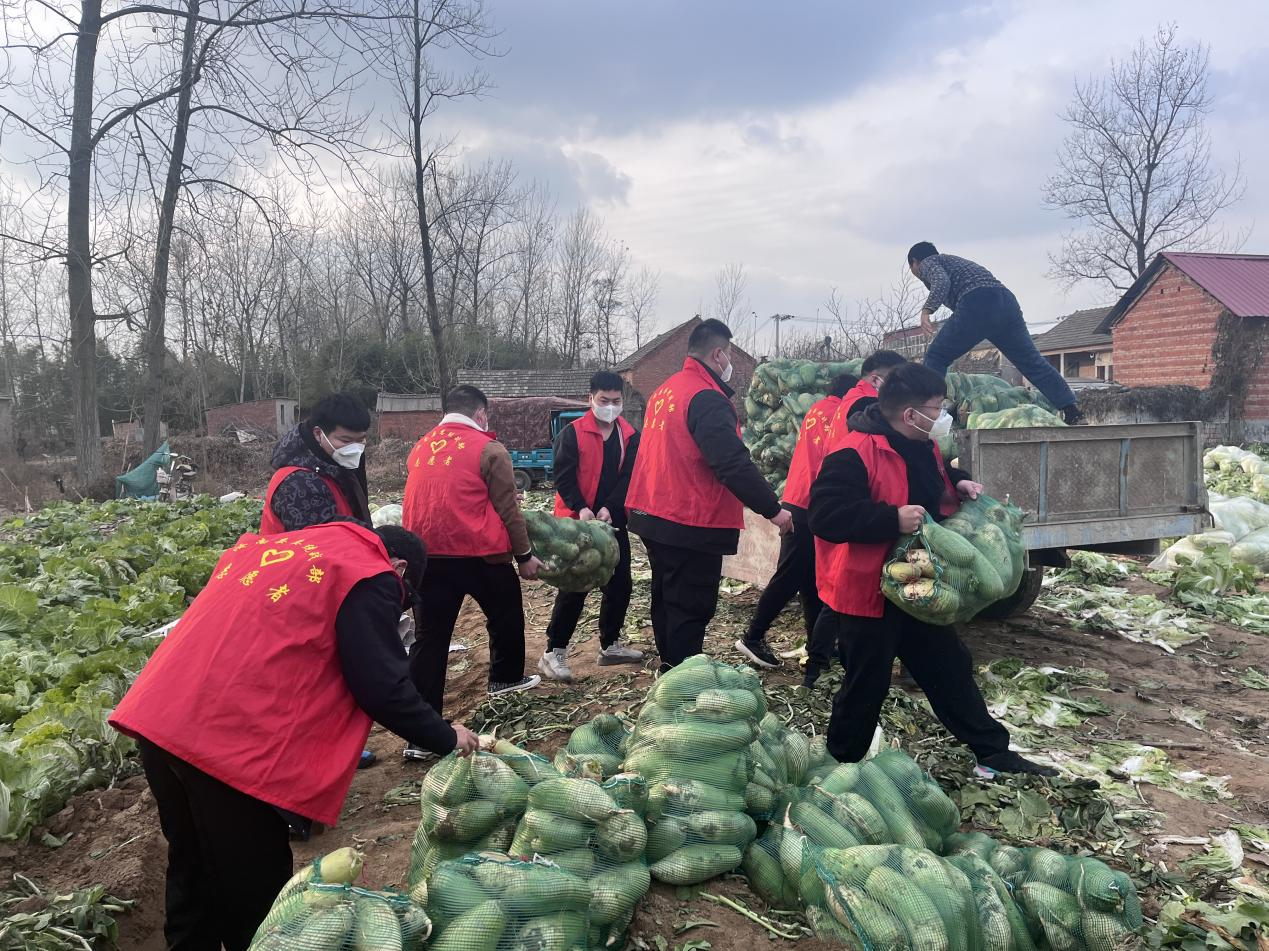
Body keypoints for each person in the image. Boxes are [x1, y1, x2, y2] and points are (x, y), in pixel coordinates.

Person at [109, 521, 478, 951]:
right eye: (404, 597)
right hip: (224, 738)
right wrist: (446, 736)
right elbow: (381, 687)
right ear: (399, 567)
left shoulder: (285, 549)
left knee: (191, 864)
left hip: (159, 712)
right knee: (258, 886)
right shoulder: (370, 572)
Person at [808, 363, 1057, 777]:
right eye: (936, 408)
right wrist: (891, 519)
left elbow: (929, 482)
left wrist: (956, 482)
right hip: (868, 592)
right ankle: (839, 769)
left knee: (949, 667)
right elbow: (825, 516)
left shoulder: (922, 446)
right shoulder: (852, 454)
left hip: (919, 583)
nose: (943, 416)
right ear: (909, 414)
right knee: (865, 685)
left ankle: (993, 753)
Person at [626, 318, 793, 671]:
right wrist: (773, 510)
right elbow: (731, 462)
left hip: (652, 513)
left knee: (667, 596)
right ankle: (684, 679)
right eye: (729, 354)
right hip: (689, 518)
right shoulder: (707, 398)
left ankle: (670, 665)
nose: (730, 362)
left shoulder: (665, 390)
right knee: (691, 603)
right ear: (718, 354)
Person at [402, 385, 542, 760]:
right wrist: (525, 554)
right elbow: (509, 510)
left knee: (429, 640)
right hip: (480, 554)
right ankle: (506, 679)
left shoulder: (421, 446)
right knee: (506, 613)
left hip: (427, 557)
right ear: (481, 414)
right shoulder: (490, 449)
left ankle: (420, 735)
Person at [736, 372, 858, 674]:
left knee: (810, 580)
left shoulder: (816, 411)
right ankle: (753, 636)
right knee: (790, 576)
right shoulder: (841, 415)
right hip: (812, 504)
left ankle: (818, 642)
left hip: (798, 498)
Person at [539, 371, 644, 681]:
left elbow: (629, 478)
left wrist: (610, 508)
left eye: (616, 401)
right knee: (575, 586)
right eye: (603, 401)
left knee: (620, 583)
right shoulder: (572, 433)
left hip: (612, 522)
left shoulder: (629, 435)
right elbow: (563, 476)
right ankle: (553, 652)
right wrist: (582, 508)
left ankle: (610, 644)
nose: (610, 407)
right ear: (591, 399)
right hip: (576, 525)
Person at [907, 242, 1085, 425]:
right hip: (1005, 303)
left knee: (936, 356)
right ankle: (1072, 411)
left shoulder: (929, 262)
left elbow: (941, 281)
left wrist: (927, 310)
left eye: (912, 268)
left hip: (978, 302)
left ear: (915, 262)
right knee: (1032, 362)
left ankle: (928, 414)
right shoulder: (955, 262)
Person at [261, 393, 373, 532]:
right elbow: (323, 538)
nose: (354, 448)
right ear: (318, 434)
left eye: (360, 439)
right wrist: (381, 538)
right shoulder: (297, 482)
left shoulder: (336, 460)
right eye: (346, 441)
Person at [829, 350, 906, 438]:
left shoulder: (852, 396)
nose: (902, 386)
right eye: (896, 380)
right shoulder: (866, 405)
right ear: (875, 380)